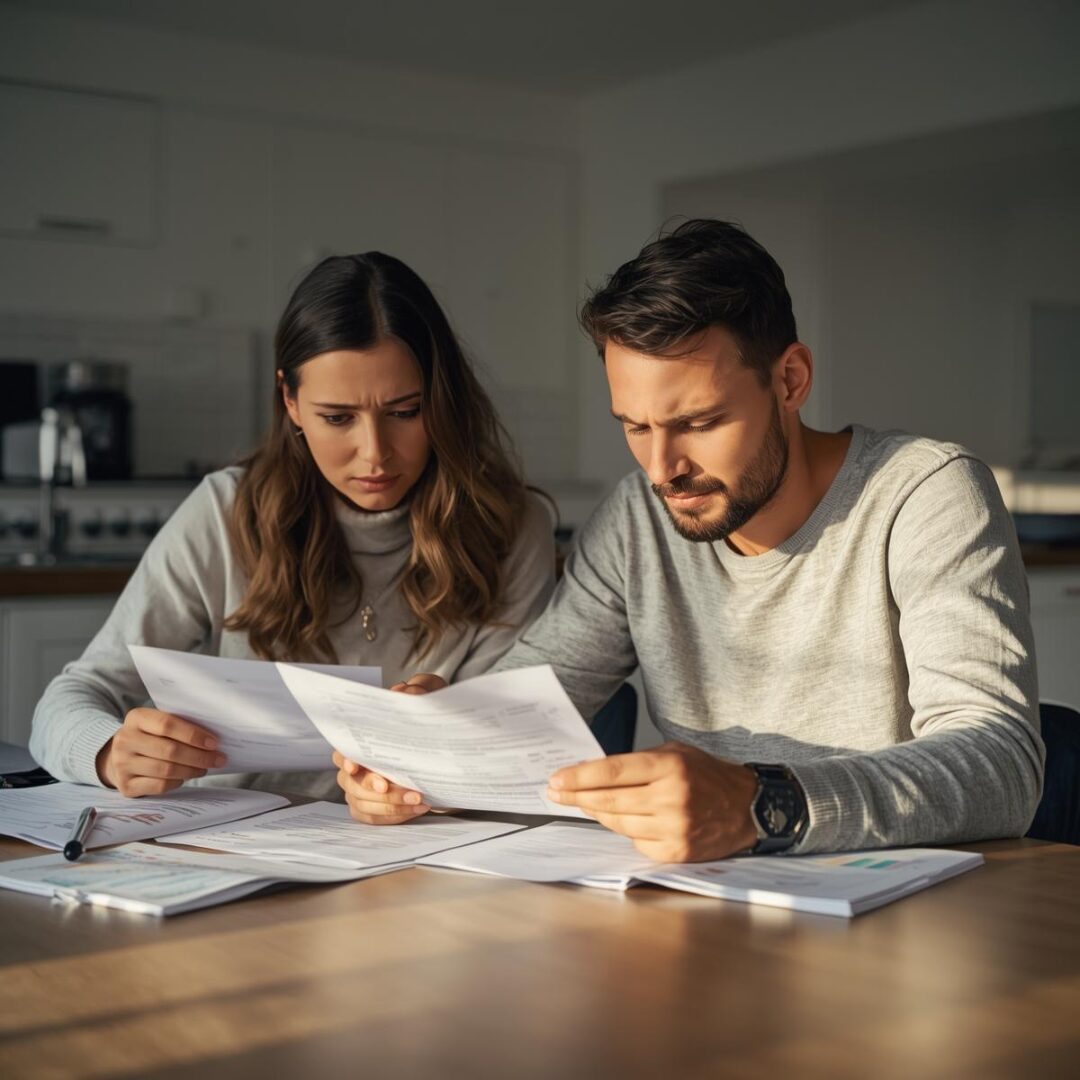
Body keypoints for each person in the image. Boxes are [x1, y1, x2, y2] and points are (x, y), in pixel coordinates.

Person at [366, 219, 1043, 861]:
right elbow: (526, 703)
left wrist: (762, 806)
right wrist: (430, 744)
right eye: (635, 426)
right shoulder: (639, 519)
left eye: (699, 421)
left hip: (906, 918)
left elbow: (1000, 765)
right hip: (713, 907)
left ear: (790, 380)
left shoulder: (924, 495)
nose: (662, 470)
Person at [30, 252, 555, 805]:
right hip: (233, 845)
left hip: (430, 859)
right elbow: (73, 696)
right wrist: (109, 752)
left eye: (405, 411)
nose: (374, 453)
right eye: (338, 418)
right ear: (291, 401)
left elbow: (511, 752)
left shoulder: (511, 527)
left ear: (442, 399)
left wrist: (437, 758)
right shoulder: (226, 512)